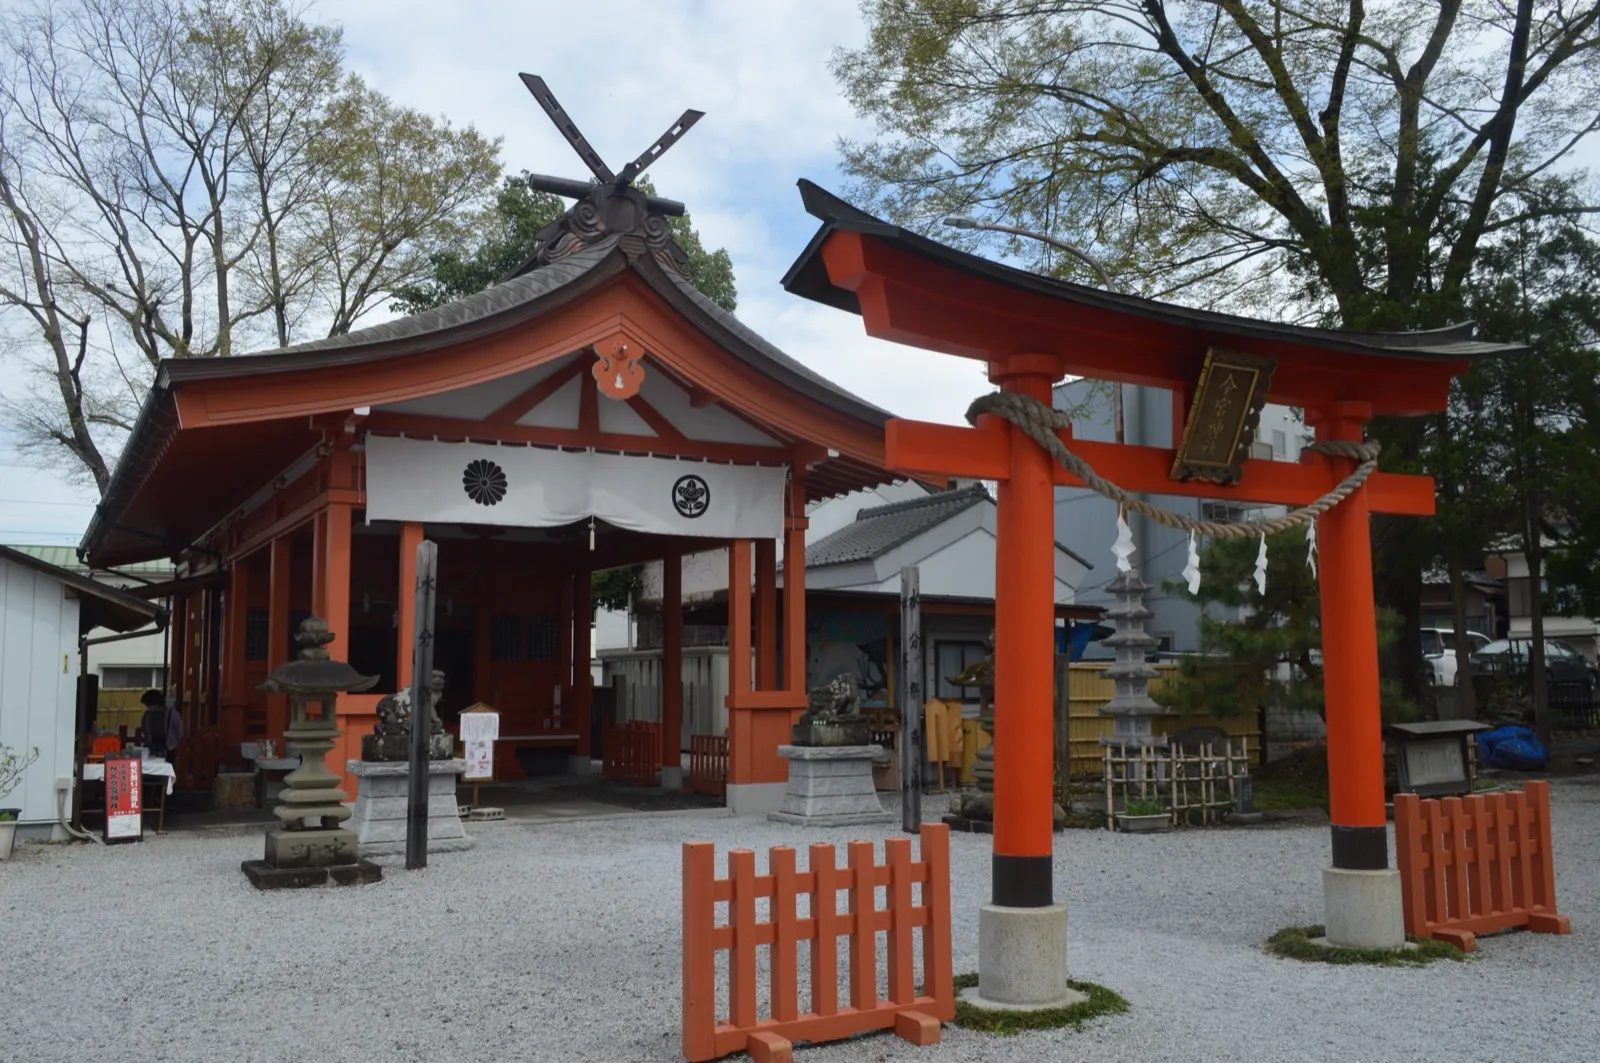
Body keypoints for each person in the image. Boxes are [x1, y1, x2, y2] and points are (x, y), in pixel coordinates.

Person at [138, 689, 183, 763]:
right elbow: (144, 729)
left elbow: (179, 732)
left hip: (169, 748)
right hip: (152, 747)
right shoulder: (147, 715)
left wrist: (176, 745)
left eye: (149, 705)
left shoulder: (172, 714)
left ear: (156, 703)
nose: (148, 708)